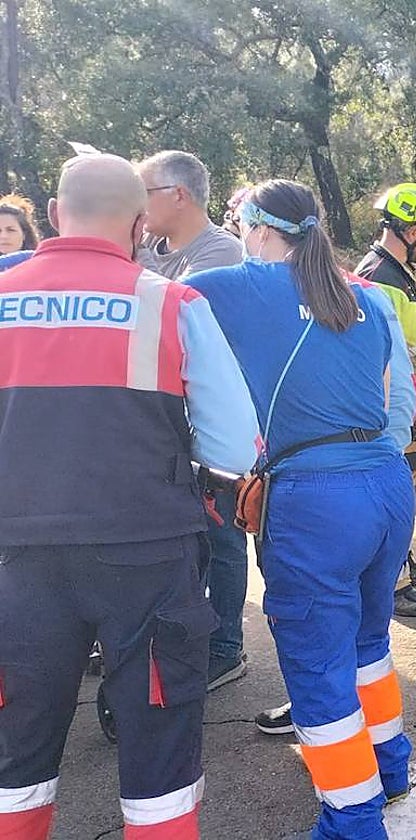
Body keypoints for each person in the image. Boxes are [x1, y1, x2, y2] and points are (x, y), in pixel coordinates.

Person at [0, 153, 258, 839]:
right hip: (147, 555)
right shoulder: (173, 303)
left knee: (16, 758)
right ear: (142, 224)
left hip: (16, 560)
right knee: (159, 764)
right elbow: (235, 448)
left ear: (53, 214)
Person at [184, 179, 416, 839]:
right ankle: (389, 765)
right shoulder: (365, 296)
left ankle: (352, 821)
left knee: (317, 668)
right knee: (368, 642)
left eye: (238, 226)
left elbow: (156, 303)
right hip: (386, 482)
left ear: (258, 229)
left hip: (316, 499)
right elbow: (396, 399)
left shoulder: (241, 285)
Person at [135, 150, 251, 692]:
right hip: (160, 423)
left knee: (222, 537)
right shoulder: (148, 248)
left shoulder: (220, 252)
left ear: (178, 195)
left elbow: (167, 318)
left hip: (207, 424)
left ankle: (225, 646)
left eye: (144, 193)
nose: (138, 206)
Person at [353, 183, 416, 618]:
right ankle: (392, 586)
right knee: (395, 493)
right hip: (398, 407)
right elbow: (384, 357)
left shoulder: (401, 275)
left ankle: (401, 562)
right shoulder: (379, 279)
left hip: (413, 403)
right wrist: (408, 407)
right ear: (410, 233)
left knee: (408, 488)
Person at [135, 151, 244, 278]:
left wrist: (138, 249)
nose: (137, 202)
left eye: (144, 193)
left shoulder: (223, 250)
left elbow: (172, 292)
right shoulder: (149, 238)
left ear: (179, 196)